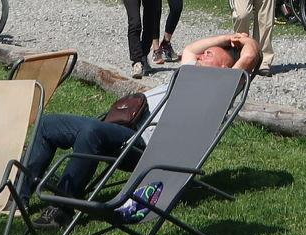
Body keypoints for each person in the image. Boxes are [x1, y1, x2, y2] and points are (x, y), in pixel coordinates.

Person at [15, 32, 258, 217]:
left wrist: (246, 41)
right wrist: (227, 37)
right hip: (123, 129)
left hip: (143, 146)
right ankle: (18, 199)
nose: (202, 55)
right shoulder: (189, 72)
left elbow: (250, 57)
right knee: (47, 124)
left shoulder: (221, 91)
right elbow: (190, 49)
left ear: (225, 67)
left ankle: (62, 208)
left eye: (210, 54)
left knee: (92, 132)